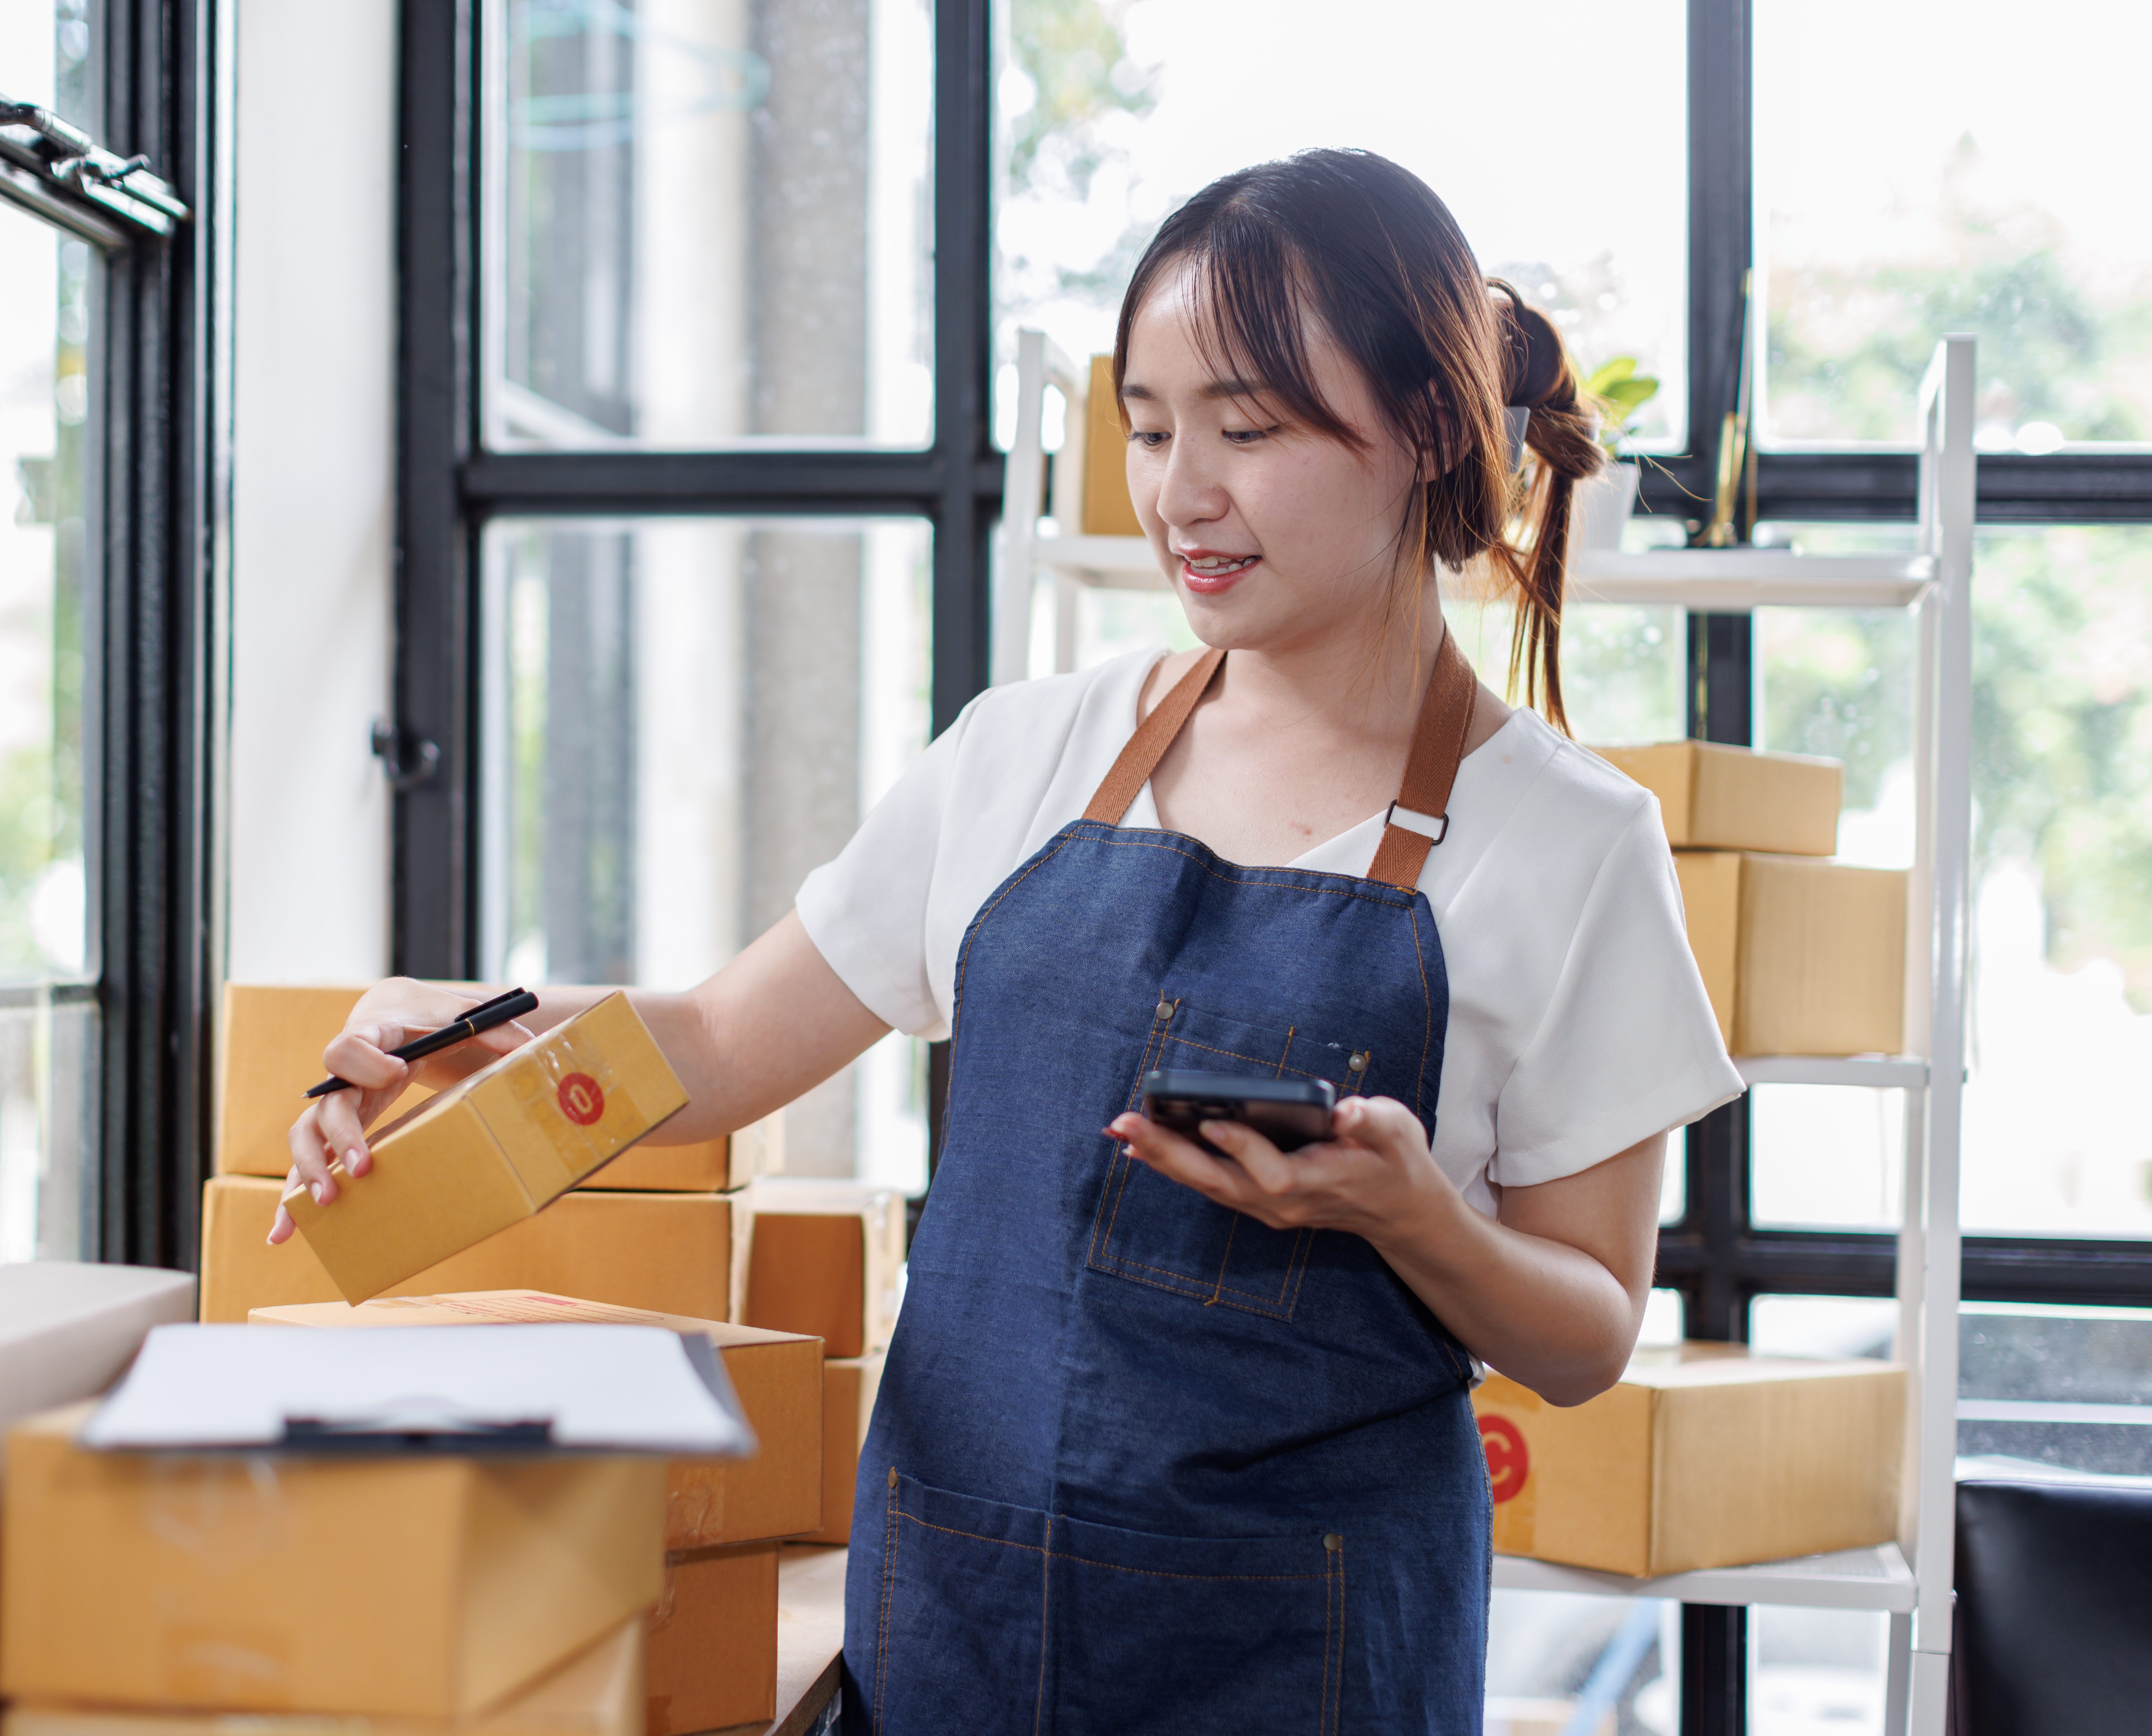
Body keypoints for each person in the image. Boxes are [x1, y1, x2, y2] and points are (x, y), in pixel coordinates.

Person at [279, 148, 1740, 1733]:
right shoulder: (1025, 752)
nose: (1183, 491)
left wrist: (1411, 1218)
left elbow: (1591, 1326)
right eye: (1152, 428)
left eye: (1247, 429)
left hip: (1311, 1659)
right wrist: (459, 1018)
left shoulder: (1573, 844)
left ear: (1432, 431)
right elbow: (709, 1048)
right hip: (955, 1627)